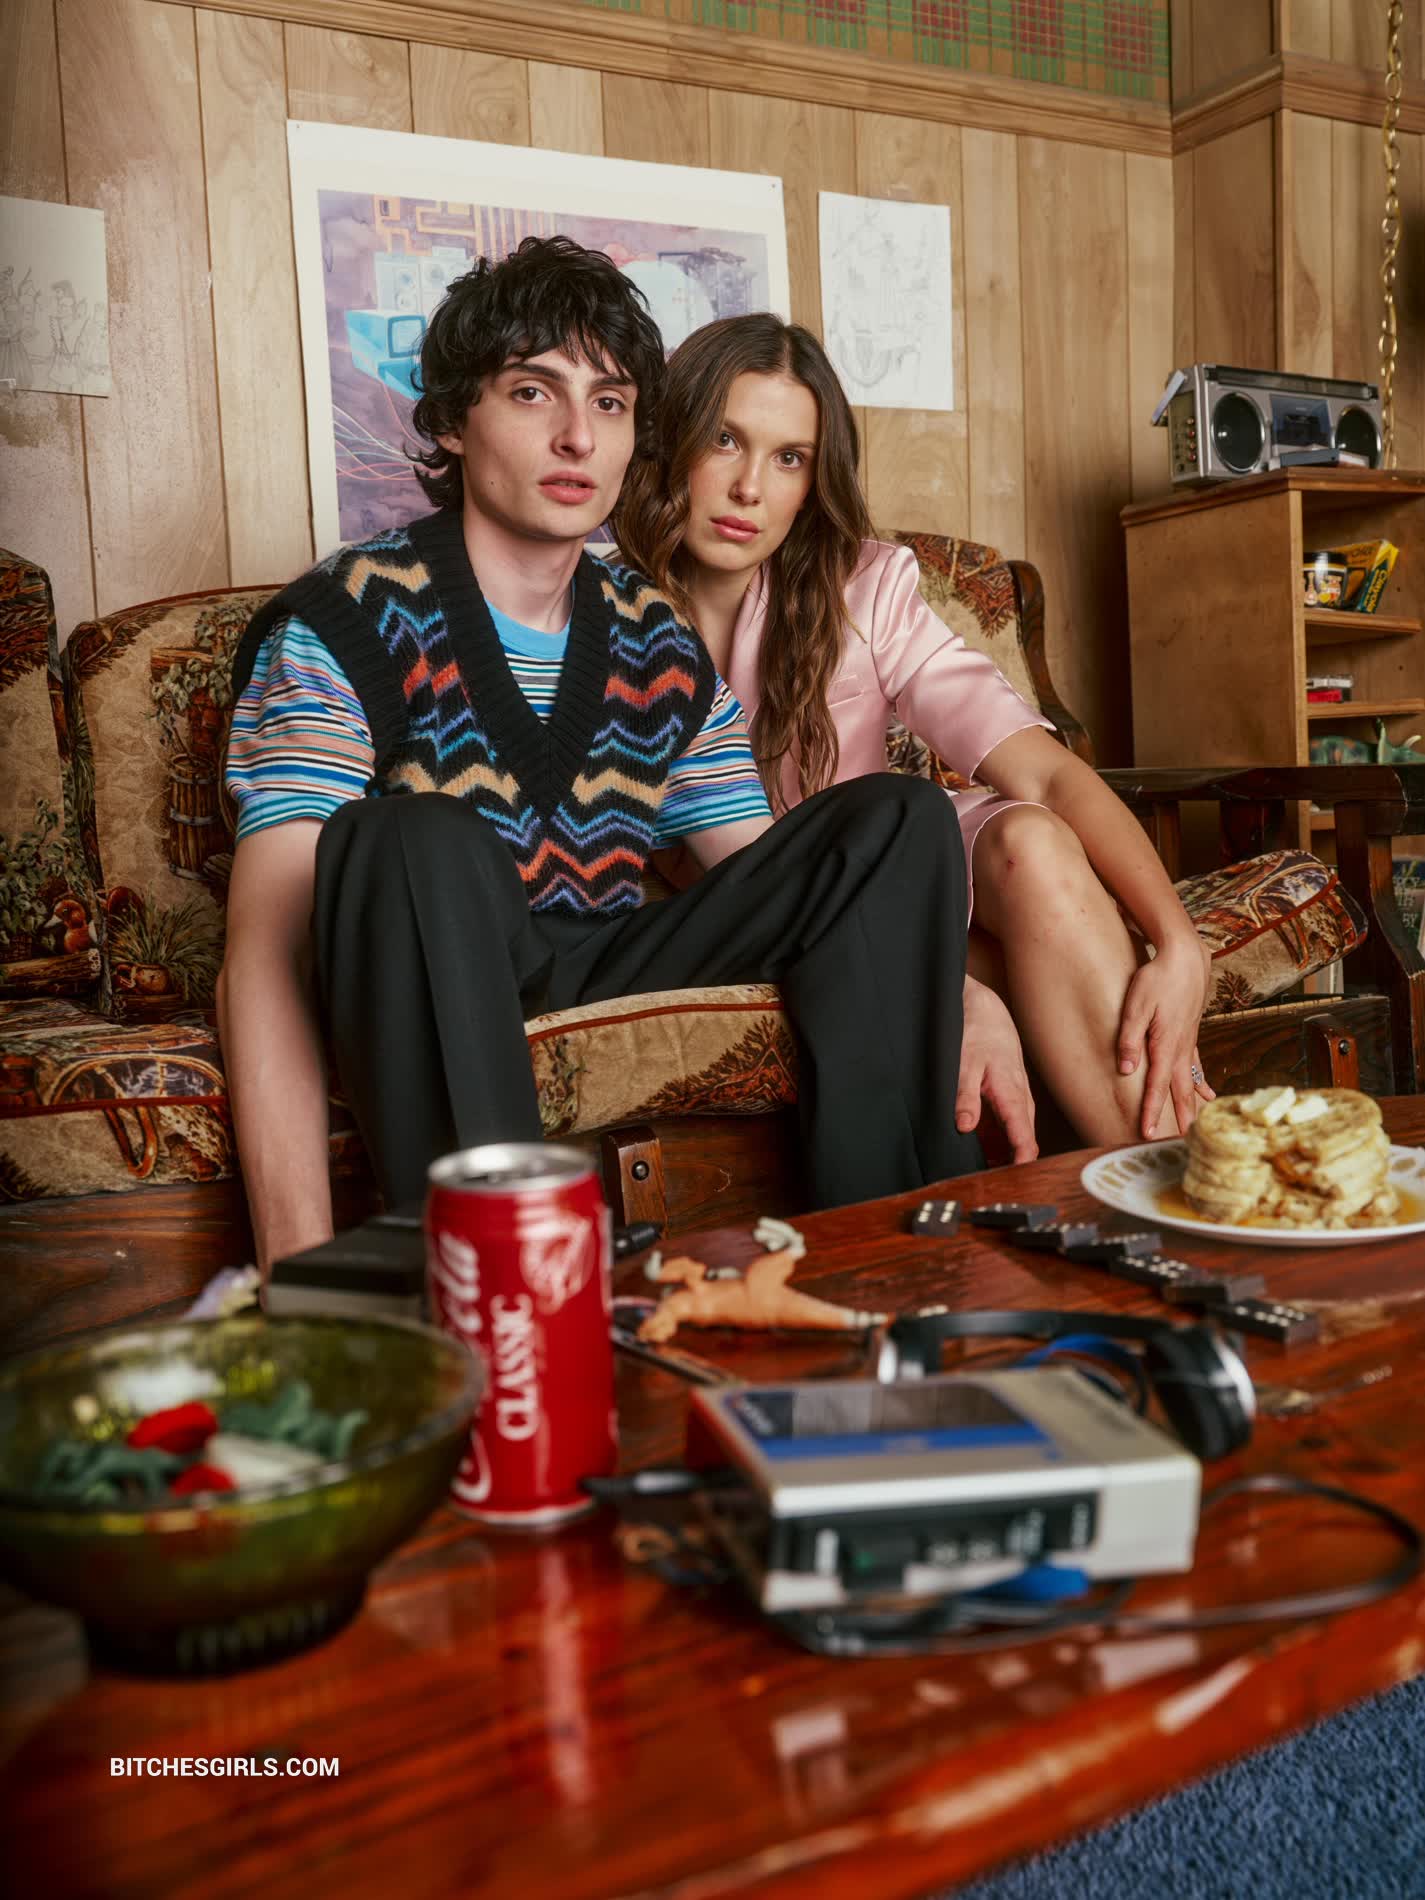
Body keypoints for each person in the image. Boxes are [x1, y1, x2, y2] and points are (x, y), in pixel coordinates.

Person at [218, 238, 980, 1276]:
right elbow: (265, 956)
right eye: (533, 392)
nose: (578, 435)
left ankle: (890, 1261)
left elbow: (779, 882)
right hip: (433, 960)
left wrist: (964, 992)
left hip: (599, 954)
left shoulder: (655, 637)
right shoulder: (347, 617)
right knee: (412, 837)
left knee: (895, 820)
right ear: (452, 421)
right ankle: (506, 1294)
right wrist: (296, 1276)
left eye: (610, 403)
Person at [614, 313, 1215, 1162]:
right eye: (724, 440)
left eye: (788, 458)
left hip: (901, 881)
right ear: (669, 442)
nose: (749, 487)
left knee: (1030, 838)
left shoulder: (862, 589)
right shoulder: (596, 611)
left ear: (813, 480)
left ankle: (1174, 1184)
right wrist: (962, 993)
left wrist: (1177, 943)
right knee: (976, 944)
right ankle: (1168, 1170)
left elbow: (1044, 774)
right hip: (743, 912)